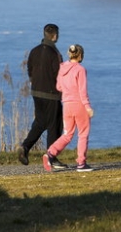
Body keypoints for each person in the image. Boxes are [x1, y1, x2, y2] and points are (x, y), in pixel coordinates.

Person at [17, 23, 68, 169]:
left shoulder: (34, 51)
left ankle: (25, 147)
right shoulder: (54, 53)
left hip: (36, 92)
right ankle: (51, 157)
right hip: (51, 94)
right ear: (55, 35)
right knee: (54, 125)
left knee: (40, 122)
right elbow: (58, 74)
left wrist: (35, 82)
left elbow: (30, 69)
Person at [43, 44, 95, 172]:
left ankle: (50, 153)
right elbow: (82, 92)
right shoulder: (80, 70)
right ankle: (81, 163)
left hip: (66, 105)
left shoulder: (62, 68)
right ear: (81, 55)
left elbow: (59, 87)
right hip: (79, 105)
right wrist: (88, 107)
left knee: (67, 134)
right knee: (83, 134)